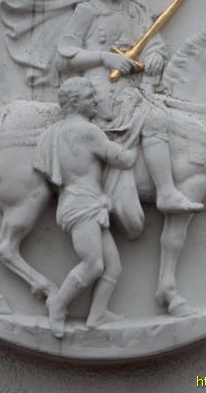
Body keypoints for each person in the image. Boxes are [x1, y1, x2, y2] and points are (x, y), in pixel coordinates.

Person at [56, 0, 203, 214]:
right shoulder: (88, 11)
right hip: (100, 88)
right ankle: (166, 192)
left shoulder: (137, 10)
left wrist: (156, 56)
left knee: (164, 113)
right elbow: (63, 58)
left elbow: (154, 43)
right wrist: (105, 58)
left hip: (135, 84)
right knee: (155, 117)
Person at [33, 77, 137, 338]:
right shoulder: (88, 131)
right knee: (93, 264)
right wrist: (136, 138)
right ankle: (58, 305)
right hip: (82, 205)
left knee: (113, 267)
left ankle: (97, 315)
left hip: (84, 202)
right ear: (75, 102)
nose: (96, 101)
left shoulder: (53, 133)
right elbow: (122, 159)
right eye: (90, 97)